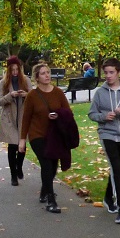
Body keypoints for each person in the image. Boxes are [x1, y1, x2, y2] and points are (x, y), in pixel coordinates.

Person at [87, 57, 120, 225]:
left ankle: (107, 198)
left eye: (111, 72)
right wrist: (104, 117)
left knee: (116, 167)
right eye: (106, 73)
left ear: (119, 72)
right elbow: (91, 114)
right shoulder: (100, 93)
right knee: (116, 169)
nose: (108, 76)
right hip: (107, 134)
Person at [18, 62, 75, 214]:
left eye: (48, 72)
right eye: (43, 73)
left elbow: (68, 113)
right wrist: (22, 139)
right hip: (37, 135)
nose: (47, 75)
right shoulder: (32, 95)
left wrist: (58, 115)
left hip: (54, 135)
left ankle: (45, 190)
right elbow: (26, 118)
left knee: (53, 166)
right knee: (47, 164)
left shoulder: (57, 93)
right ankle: (51, 200)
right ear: (37, 78)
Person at [0, 55, 29, 185]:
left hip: (22, 116)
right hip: (9, 118)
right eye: (12, 70)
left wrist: (25, 95)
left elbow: (32, 96)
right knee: (12, 145)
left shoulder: (25, 80)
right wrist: (10, 95)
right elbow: (0, 101)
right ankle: (13, 175)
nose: (15, 72)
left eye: (17, 69)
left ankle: (19, 166)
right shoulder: (3, 83)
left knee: (22, 144)